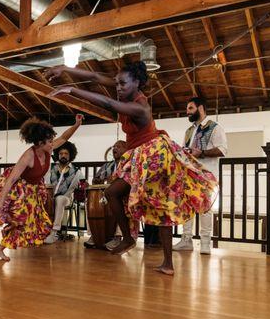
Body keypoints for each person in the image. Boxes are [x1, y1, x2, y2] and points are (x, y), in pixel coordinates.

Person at [46, 63, 217, 275]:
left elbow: (108, 103)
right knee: (112, 192)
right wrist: (64, 69)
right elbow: (96, 75)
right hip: (137, 155)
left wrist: (72, 90)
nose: (118, 87)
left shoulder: (140, 107)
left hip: (154, 156)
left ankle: (164, 261)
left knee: (159, 205)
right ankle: (131, 240)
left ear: (136, 83)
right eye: (117, 83)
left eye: (122, 84)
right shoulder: (125, 89)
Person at [0, 115, 83, 261]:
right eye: (50, 141)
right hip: (19, 189)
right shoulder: (28, 156)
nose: (53, 143)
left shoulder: (48, 149)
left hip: (34, 189)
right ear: (40, 142)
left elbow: (65, 137)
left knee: (31, 221)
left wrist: (77, 124)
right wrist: (1, 201)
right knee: (18, 220)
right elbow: (11, 180)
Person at [173, 97, 227, 255]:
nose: (187, 111)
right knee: (187, 206)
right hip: (190, 174)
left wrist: (201, 152)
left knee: (206, 209)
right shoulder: (189, 131)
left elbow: (223, 150)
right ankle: (186, 240)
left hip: (207, 174)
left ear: (201, 108)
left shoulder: (215, 127)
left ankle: (205, 243)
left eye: (190, 108)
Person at [84, 140, 127, 249]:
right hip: (105, 195)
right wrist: (97, 180)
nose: (114, 149)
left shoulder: (128, 164)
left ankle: (118, 237)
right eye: (114, 147)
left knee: (121, 203)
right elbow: (95, 179)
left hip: (123, 195)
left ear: (126, 150)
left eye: (118, 146)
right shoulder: (107, 166)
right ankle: (95, 235)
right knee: (88, 203)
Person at [44, 141, 84, 243]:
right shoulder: (51, 169)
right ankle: (39, 230)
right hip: (50, 197)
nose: (63, 156)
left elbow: (83, 185)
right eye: (61, 154)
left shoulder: (76, 171)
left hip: (66, 198)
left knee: (60, 199)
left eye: (66, 154)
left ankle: (54, 232)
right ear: (58, 155)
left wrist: (84, 185)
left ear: (70, 155)